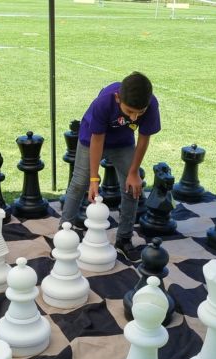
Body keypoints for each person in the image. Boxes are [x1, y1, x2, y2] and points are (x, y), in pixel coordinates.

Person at [59, 71, 161, 263]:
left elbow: (143, 139)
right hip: (92, 139)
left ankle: (123, 239)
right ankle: (63, 234)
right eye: (130, 111)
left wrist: (133, 173)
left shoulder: (151, 104)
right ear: (117, 98)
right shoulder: (103, 102)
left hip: (123, 142)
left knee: (132, 187)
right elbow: (97, 140)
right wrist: (94, 178)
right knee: (80, 182)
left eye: (140, 112)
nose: (134, 117)